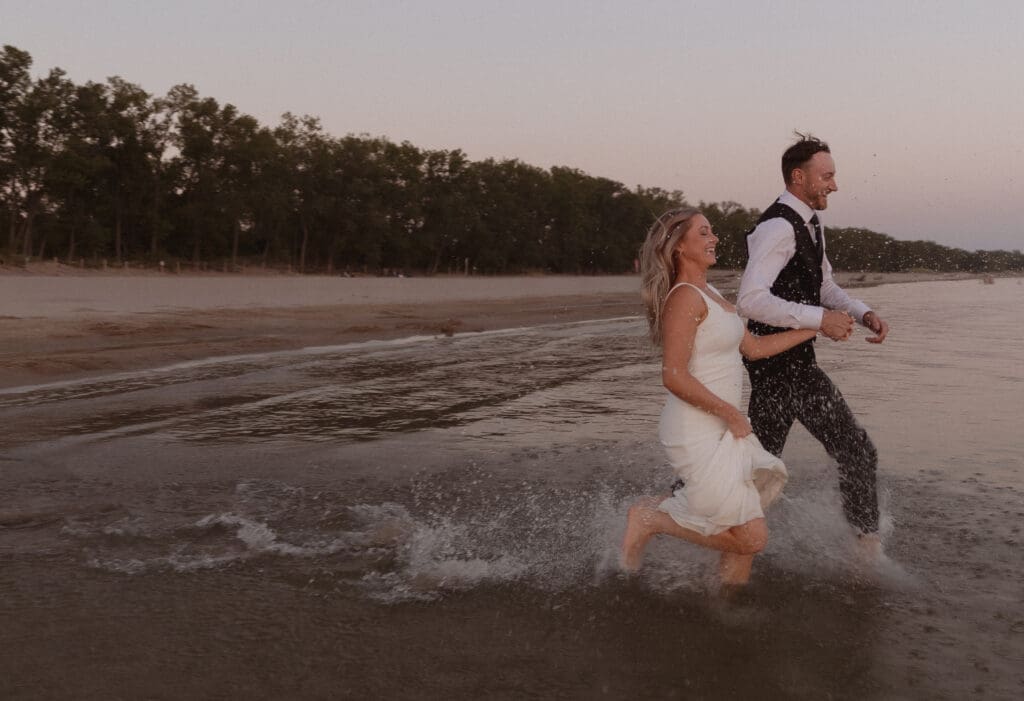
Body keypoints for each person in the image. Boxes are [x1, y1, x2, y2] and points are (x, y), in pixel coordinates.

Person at [621, 208, 820, 586]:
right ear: (679, 246)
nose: (714, 239)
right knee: (752, 536)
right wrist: (730, 413)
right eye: (704, 233)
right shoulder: (683, 298)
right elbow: (673, 375)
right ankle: (652, 519)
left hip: (722, 429)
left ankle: (728, 607)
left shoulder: (711, 293)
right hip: (696, 429)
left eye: (712, 232)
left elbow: (756, 348)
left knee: (740, 526)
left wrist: (816, 326)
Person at [736, 134, 890, 559]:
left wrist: (861, 311)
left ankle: (688, 523)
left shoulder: (809, 223)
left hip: (787, 366)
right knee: (856, 451)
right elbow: (750, 300)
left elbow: (823, 286)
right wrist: (820, 321)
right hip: (780, 367)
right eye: (828, 176)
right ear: (798, 176)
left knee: (755, 471)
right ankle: (866, 555)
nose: (834, 185)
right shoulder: (777, 226)